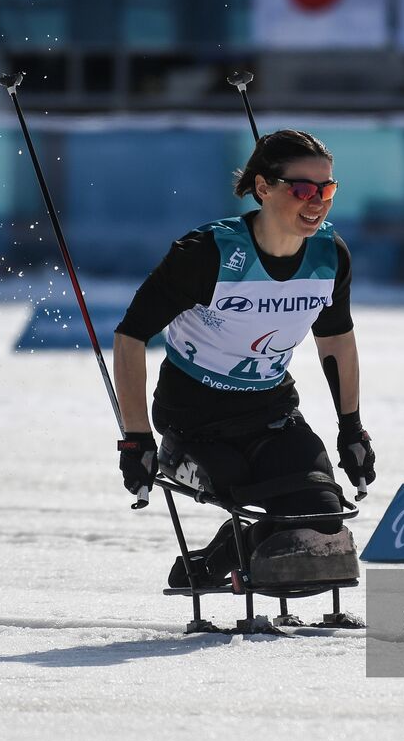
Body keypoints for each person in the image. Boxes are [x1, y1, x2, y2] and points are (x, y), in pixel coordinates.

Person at [112, 129, 376, 588]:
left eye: (327, 189)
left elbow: (336, 340)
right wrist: (137, 440)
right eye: (302, 189)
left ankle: (218, 557)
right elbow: (131, 336)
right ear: (262, 188)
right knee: (243, 485)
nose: (317, 202)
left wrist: (351, 428)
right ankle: (220, 559)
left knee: (322, 524)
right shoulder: (206, 253)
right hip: (194, 420)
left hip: (272, 414)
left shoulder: (329, 255)